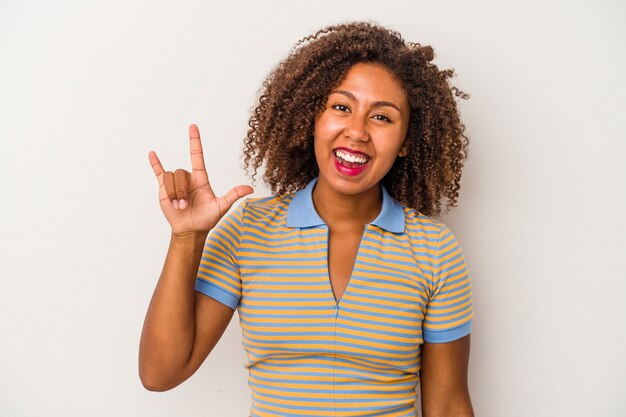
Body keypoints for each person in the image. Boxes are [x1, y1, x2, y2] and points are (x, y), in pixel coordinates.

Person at [140, 22, 474, 417]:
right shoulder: (248, 230)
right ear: (312, 117)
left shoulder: (435, 249)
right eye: (341, 107)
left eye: (382, 118)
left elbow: (449, 405)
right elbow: (160, 373)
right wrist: (186, 238)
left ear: (405, 143)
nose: (357, 131)